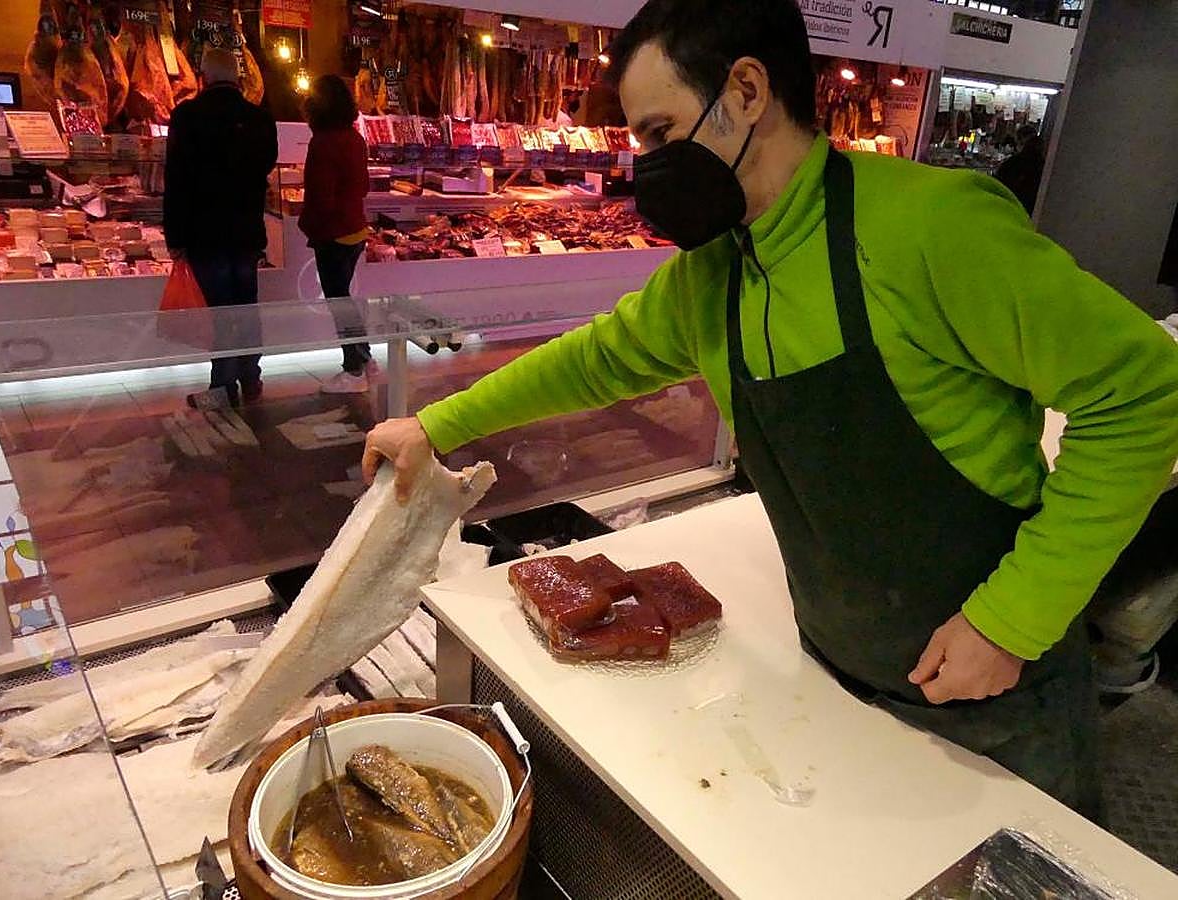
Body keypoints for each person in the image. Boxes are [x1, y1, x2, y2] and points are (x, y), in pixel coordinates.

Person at [361, 0, 1178, 818]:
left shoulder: (932, 225)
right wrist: (437, 423)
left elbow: (1144, 393)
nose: (646, 162)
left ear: (747, 90)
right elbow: (599, 359)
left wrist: (1012, 621)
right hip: (835, 665)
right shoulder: (714, 271)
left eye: (658, 131)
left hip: (1003, 695)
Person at [164, 47, 278, 408]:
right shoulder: (259, 118)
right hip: (246, 231)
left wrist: (175, 237)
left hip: (204, 233)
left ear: (204, 78)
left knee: (220, 311)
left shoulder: (187, 116)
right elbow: (265, 167)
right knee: (245, 308)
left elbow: (177, 180)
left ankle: (222, 387)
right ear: (238, 78)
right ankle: (251, 376)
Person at [298, 74, 374, 395]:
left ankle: (353, 369)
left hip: (333, 234)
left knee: (339, 301)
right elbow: (365, 187)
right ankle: (365, 357)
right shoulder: (355, 139)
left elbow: (321, 198)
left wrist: (307, 225)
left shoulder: (323, 142)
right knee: (345, 298)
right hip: (356, 230)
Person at [995, 124, 1047, 215]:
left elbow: (998, 185)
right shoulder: (1045, 165)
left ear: (1020, 141)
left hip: (1008, 208)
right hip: (1030, 212)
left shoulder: (1013, 163)